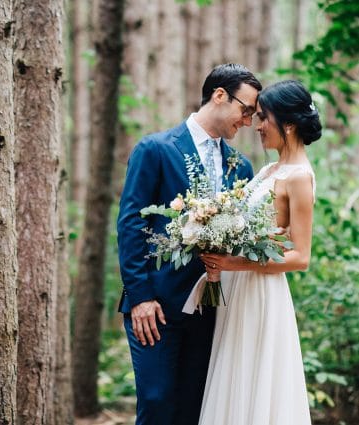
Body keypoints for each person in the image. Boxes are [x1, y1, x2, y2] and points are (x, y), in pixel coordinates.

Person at [117, 64, 262, 425]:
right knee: (157, 402)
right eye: (245, 110)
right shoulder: (155, 149)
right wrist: (141, 298)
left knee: (196, 406)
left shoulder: (239, 166)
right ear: (218, 95)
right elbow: (131, 225)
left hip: (210, 307)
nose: (247, 121)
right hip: (157, 305)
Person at [199, 80, 322, 424]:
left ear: (289, 124)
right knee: (233, 379)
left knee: (255, 383)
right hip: (240, 289)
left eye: (264, 118)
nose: (257, 126)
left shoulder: (299, 177)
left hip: (261, 293)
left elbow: (300, 257)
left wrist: (233, 263)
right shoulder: (271, 169)